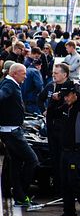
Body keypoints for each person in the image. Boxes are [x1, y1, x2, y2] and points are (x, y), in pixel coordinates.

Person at [0, 63, 39, 207]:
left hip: (10, 130)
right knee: (32, 160)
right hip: (12, 132)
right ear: (15, 73)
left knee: (16, 164)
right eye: (23, 73)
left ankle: (19, 197)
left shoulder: (10, 83)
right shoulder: (9, 85)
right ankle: (21, 193)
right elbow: (2, 95)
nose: (26, 76)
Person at [54, 84, 80, 216]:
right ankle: (69, 213)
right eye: (64, 96)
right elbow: (52, 112)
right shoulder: (65, 107)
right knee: (65, 183)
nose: (66, 98)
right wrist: (55, 98)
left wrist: (74, 88)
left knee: (74, 182)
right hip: (65, 150)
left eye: (68, 95)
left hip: (77, 150)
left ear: (75, 94)